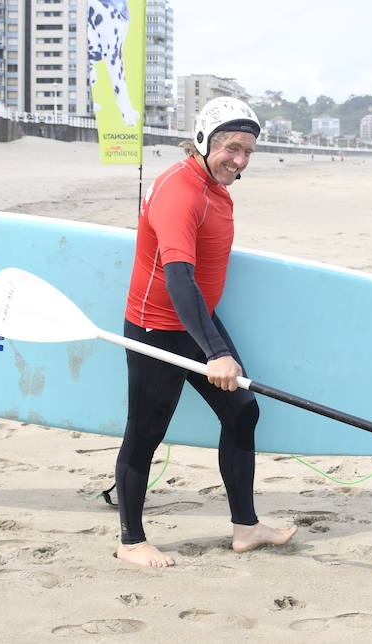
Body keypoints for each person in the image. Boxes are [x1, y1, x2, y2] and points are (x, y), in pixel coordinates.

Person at [115, 96, 296, 567]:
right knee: (145, 433)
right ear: (203, 140)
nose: (238, 160)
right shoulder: (182, 190)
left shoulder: (212, 186)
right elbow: (178, 276)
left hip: (196, 321)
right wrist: (215, 352)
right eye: (231, 148)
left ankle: (246, 527)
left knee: (242, 412)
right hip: (157, 328)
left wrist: (211, 340)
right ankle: (131, 541)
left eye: (247, 152)